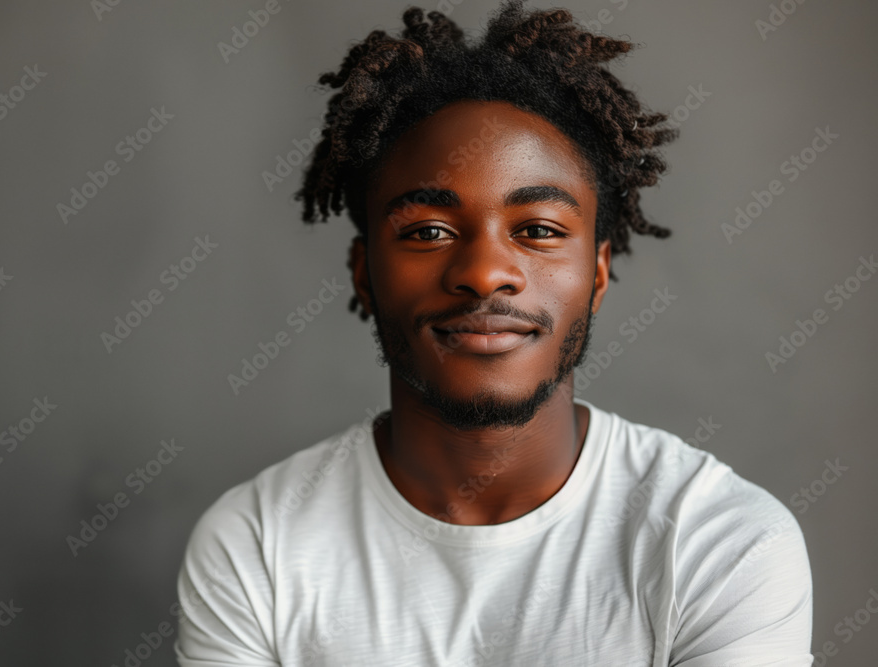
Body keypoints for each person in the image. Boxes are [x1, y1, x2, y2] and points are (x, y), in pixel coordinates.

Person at [175, 2, 813, 664]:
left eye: (537, 229)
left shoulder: (721, 542)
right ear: (364, 273)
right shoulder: (256, 546)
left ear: (597, 273)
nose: (484, 274)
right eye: (428, 231)